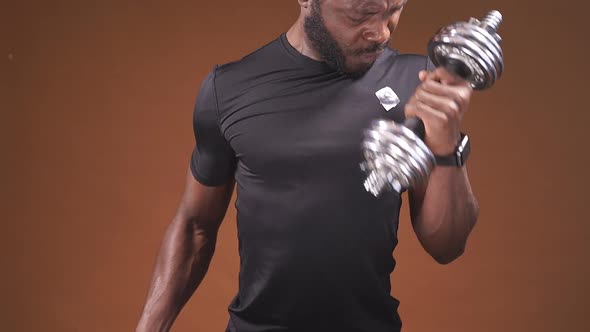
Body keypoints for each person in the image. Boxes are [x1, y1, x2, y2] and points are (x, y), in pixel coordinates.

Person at [136, 0, 479, 331]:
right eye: (361, 14)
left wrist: (447, 143)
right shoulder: (228, 88)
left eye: (394, 11)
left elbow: (447, 246)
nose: (380, 32)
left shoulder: (417, 85)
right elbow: (195, 229)